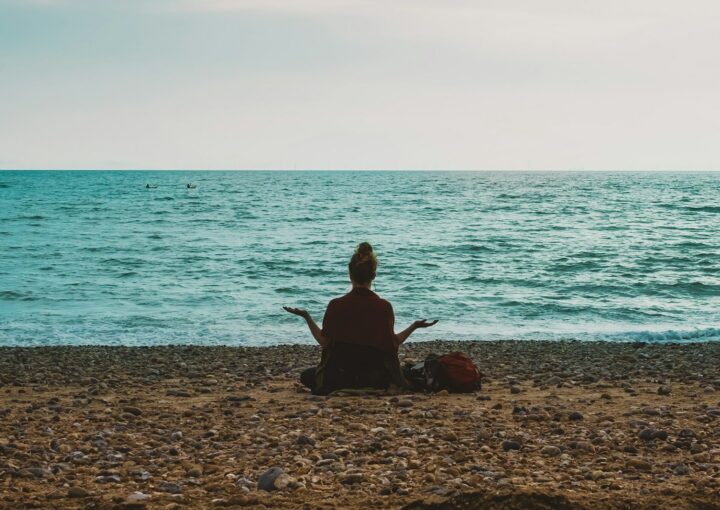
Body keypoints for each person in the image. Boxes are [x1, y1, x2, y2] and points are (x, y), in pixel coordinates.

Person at [283, 242, 437, 394]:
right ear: (374, 275)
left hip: (341, 377)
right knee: (407, 370)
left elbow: (325, 342)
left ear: (350, 275)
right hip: (374, 378)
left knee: (307, 376)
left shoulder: (336, 305)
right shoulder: (384, 307)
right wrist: (413, 326)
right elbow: (392, 345)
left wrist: (307, 317)